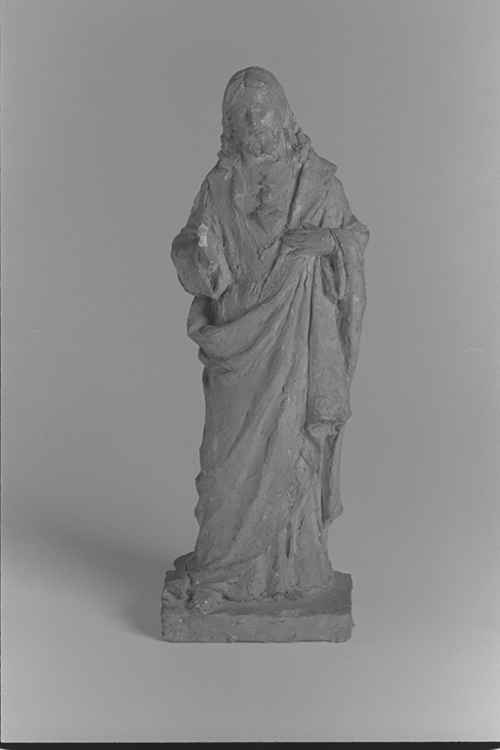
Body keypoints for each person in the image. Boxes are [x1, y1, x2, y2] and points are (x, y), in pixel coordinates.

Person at [164, 66, 369, 614]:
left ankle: (287, 574)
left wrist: (328, 242)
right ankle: (220, 569)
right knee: (223, 466)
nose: (254, 120)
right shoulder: (217, 185)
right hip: (237, 349)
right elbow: (190, 250)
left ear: (284, 115)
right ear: (229, 124)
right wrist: (199, 254)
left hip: (296, 344)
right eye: (242, 113)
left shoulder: (318, 183)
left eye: (263, 109)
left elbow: (353, 237)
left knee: (291, 451)